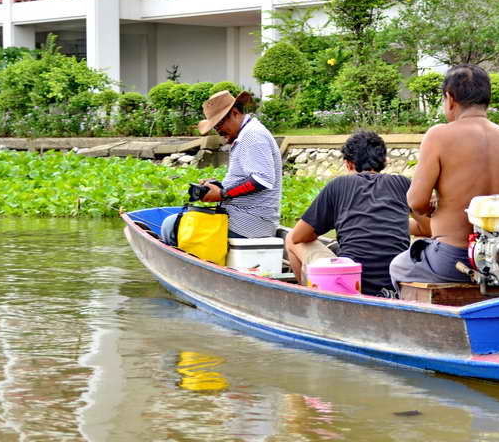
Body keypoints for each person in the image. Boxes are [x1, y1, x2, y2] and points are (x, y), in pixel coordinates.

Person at [389, 64, 499, 292]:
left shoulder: (438, 135)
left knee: (398, 266)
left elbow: (416, 202)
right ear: (487, 98)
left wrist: (435, 205)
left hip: (453, 259)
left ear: (449, 99)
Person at [285, 131, 419, 298]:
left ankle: (308, 298)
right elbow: (427, 228)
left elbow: (299, 237)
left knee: (290, 238)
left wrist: (338, 220)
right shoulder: (402, 183)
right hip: (393, 284)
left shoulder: (338, 185)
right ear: (384, 161)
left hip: (349, 280)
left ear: (348, 164)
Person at [161, 90, 282, 244]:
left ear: (235, 113)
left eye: (219, 124)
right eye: (215, 128)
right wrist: (219, 186)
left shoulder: (252, 136)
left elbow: (262, 179)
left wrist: (223, 193)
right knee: (177, 222)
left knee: (171, 226)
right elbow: (249, 178)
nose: (219, 131)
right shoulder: (246, 134)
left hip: (248, 226)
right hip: (240, 219)